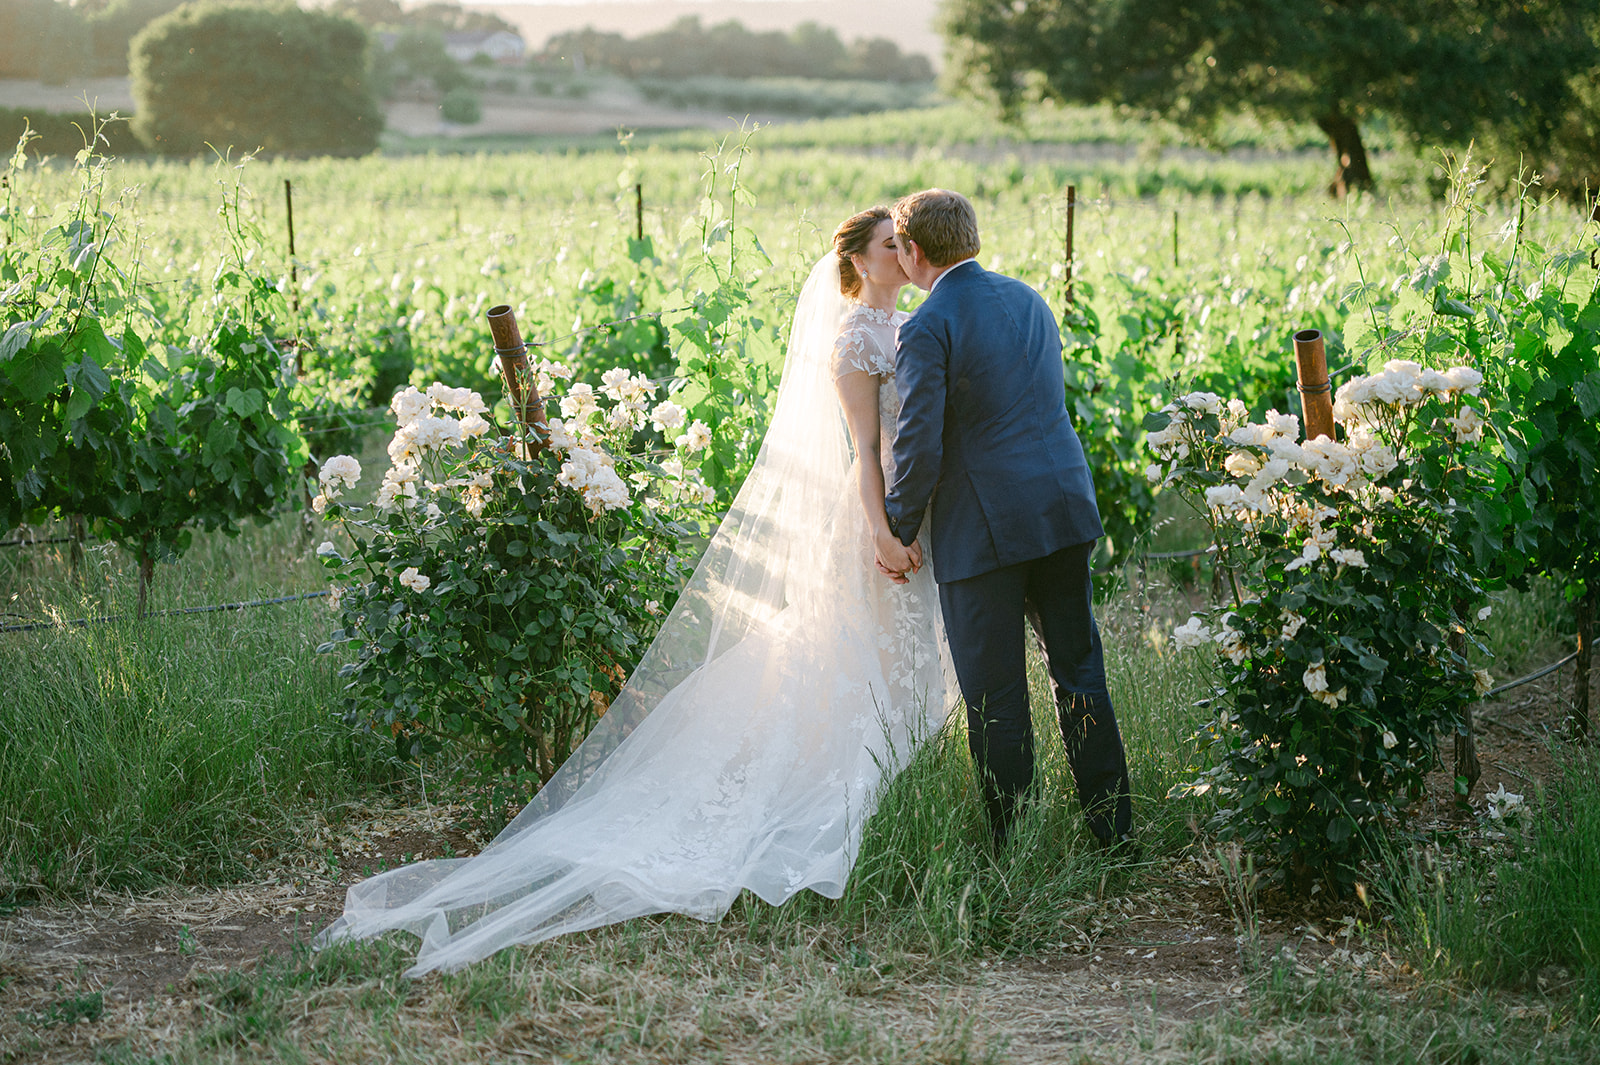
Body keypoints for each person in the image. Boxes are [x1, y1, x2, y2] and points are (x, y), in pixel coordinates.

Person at [315, 209, 950, 976]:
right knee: (855, 656)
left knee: (896, 656)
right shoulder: (852, 338)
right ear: (857, 259)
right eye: (890, 244)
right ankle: (845, 797)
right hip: (873, 521)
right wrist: (881, 530)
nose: (903, 252)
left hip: (923, 519)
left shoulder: (916, 323)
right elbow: (865, 452)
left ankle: (910, 795)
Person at [882, 189, 1135, 853]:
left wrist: (897, 527)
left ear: (914, 252)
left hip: (985, 530)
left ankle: (1013, 848)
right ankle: (1115, 834)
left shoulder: (926, 325)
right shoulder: (1028, 298)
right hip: (1063, 506)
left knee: (996, 698)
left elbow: (918, 444)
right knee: (1080, 671)